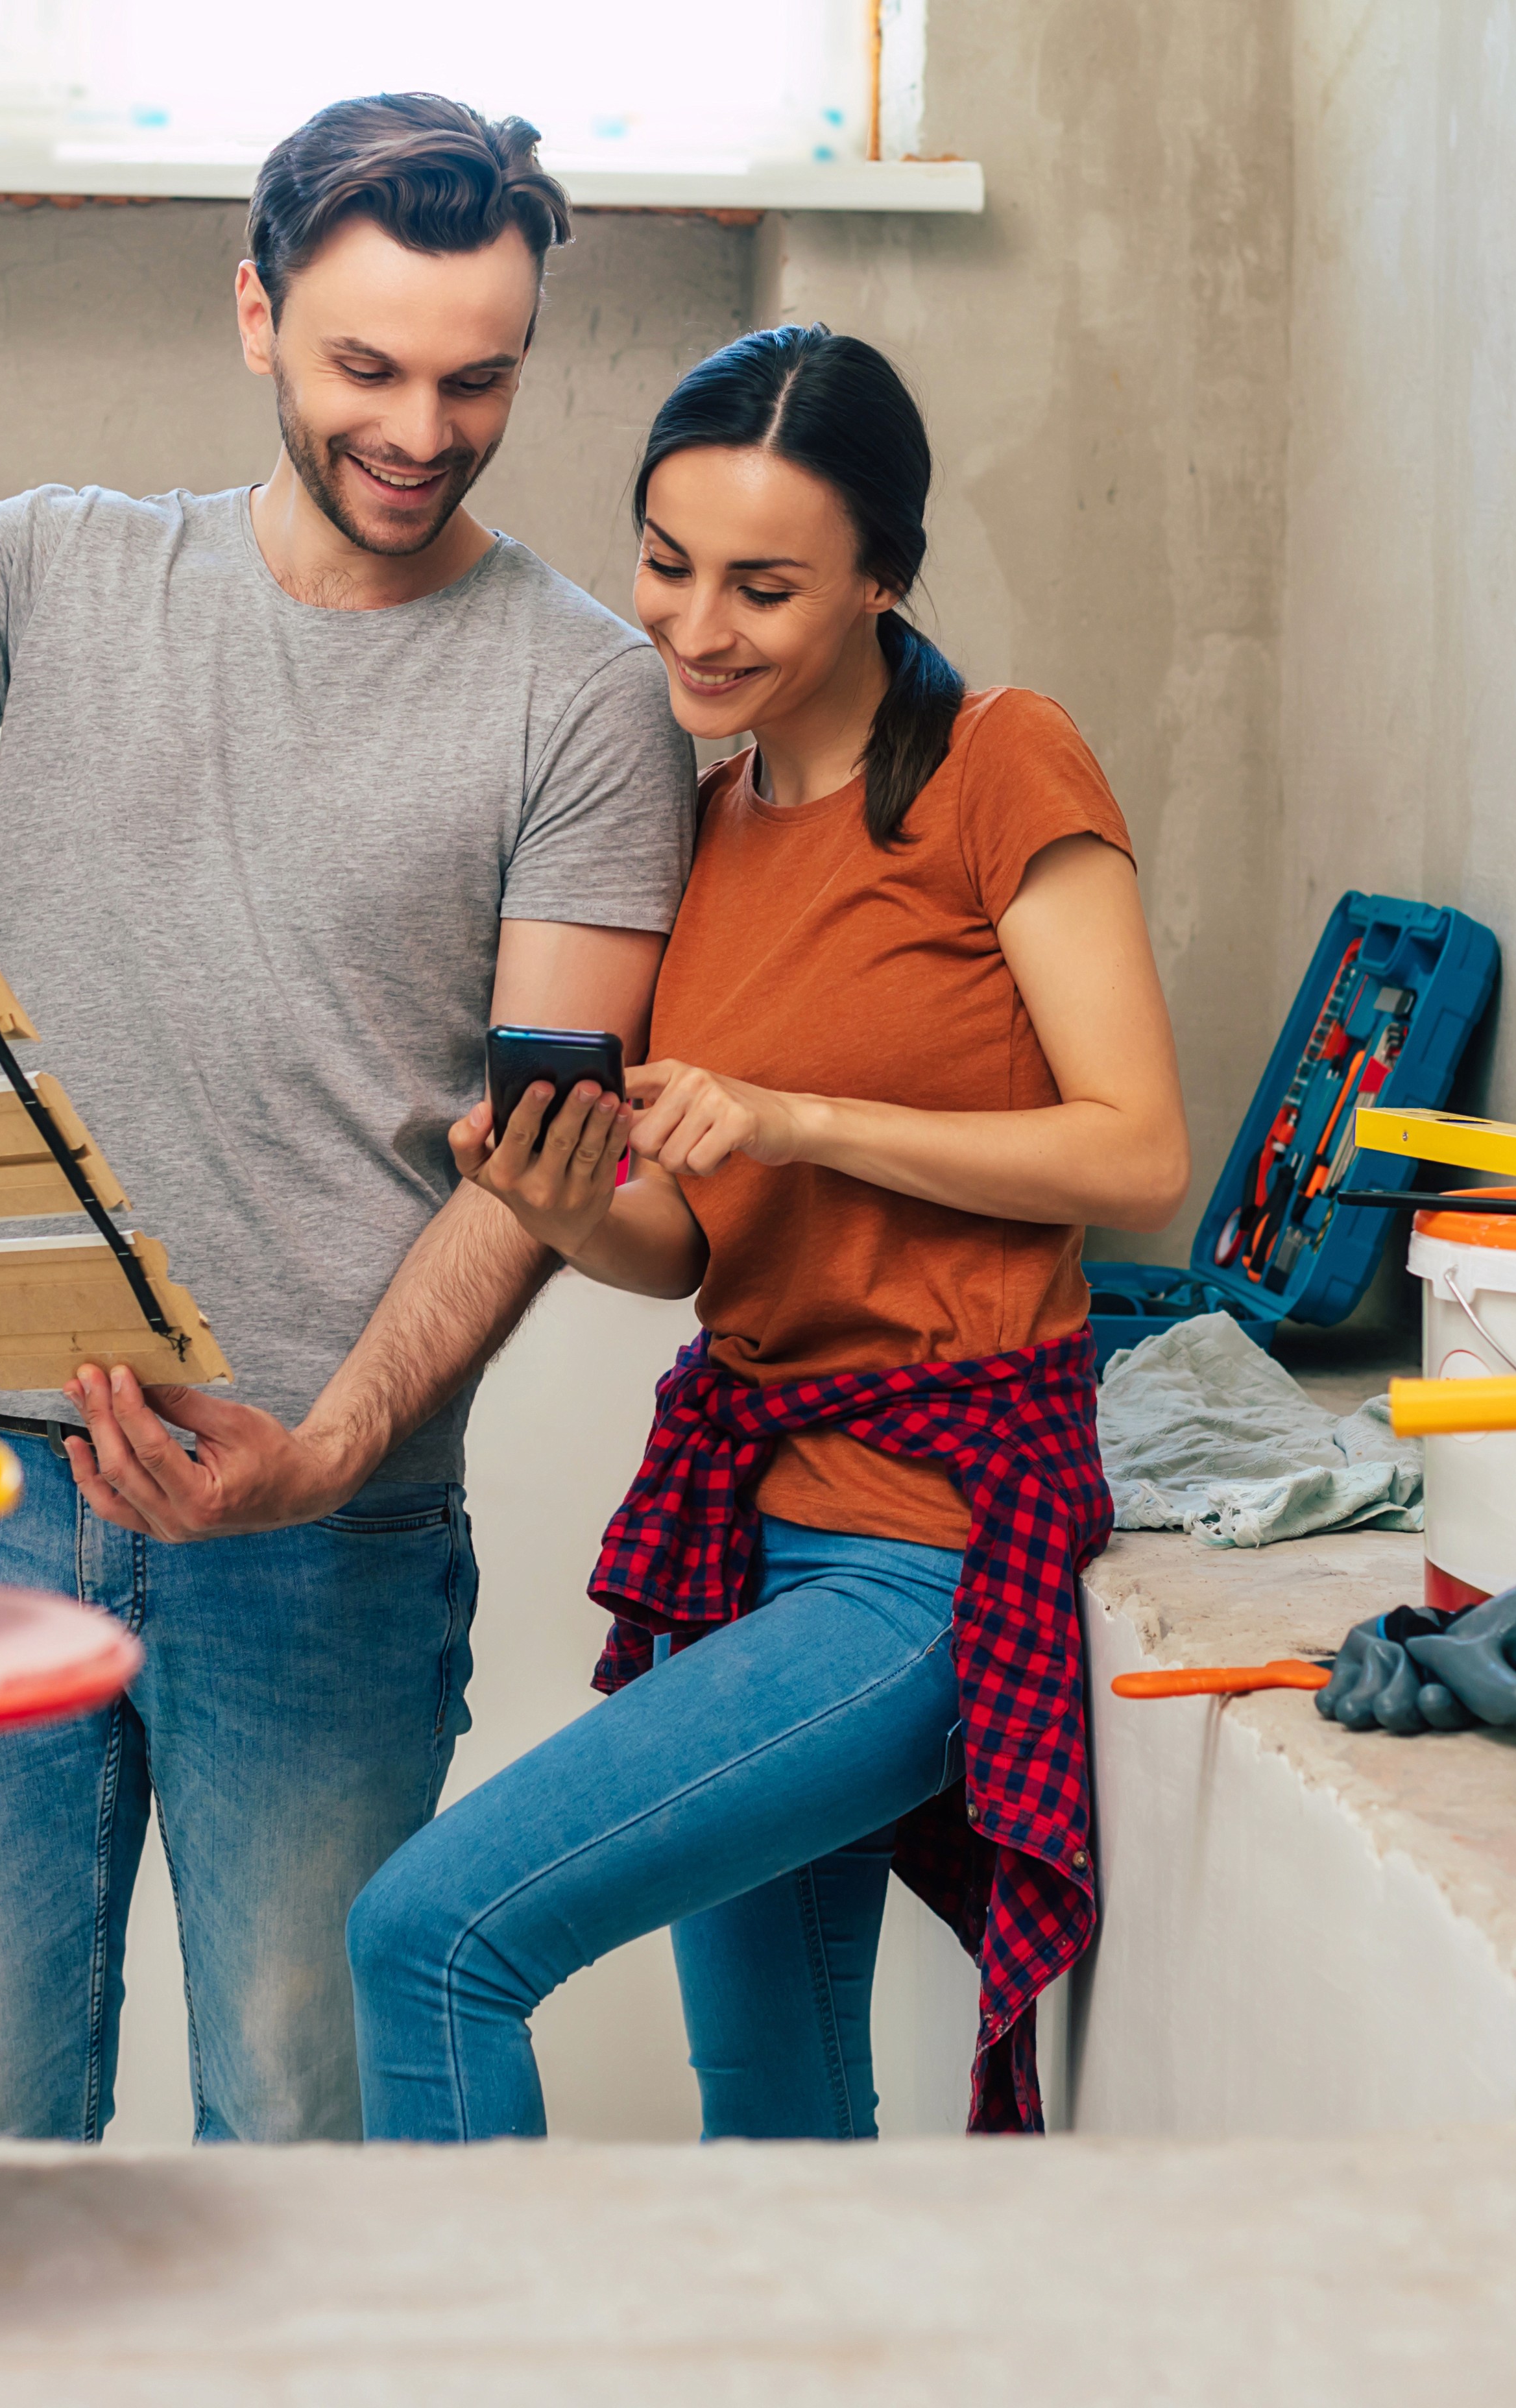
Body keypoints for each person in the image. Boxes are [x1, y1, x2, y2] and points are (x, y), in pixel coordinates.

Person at [0, 95, 696, 2143]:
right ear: (256, 316)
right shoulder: (64, 567)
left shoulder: (585, 694)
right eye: (365, 368)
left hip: (323, 1535)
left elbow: (534, 1169)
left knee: (302, 2138)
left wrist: (326, 1452)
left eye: (476, 380)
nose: (419, 429)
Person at [345, 326, 1189, 2141]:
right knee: (776, 2109)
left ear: (882, 577)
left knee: (430, 1938)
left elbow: (1137, 1156)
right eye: (667, 564)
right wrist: (574, 1208)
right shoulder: (699, 822)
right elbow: (694, 1250)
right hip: (749, 1524)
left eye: (764, 586)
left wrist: (802, 1118)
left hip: (929, 1549)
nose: (696, 626)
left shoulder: (999, 761)